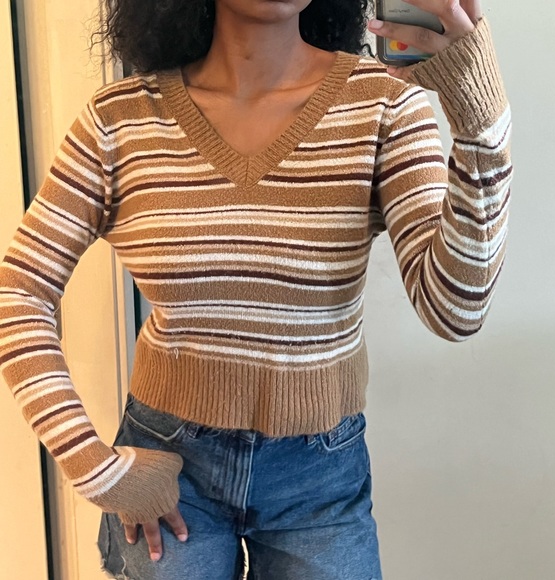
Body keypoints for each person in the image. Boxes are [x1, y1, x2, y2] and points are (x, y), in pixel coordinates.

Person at [0, 0, 511, 578]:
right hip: (168, 466)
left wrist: (480, 125)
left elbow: (456, 310)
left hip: (320, 478)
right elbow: (19, 292)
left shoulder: (384, 106)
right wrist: (95, 468)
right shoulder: (121, 119)